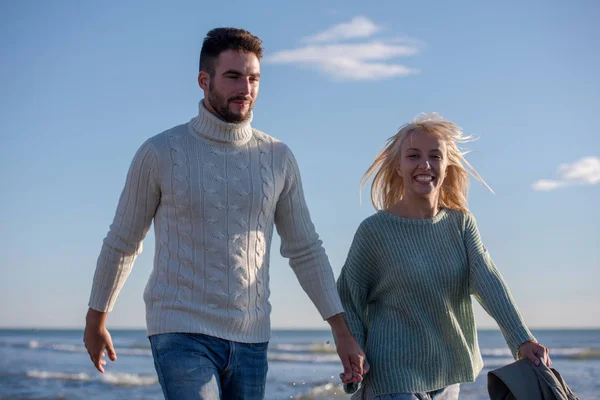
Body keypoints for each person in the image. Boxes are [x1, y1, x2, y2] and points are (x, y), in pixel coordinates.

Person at [83, 27, 366, 400]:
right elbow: (123, 240)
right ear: (204, 80)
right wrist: (96, 318)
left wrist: (340, 330)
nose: (245, 89)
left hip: (252, 337)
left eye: (253, 79)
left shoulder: (278, 157)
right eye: (233, 77)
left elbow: (305, 248)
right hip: (179, 329)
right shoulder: (160, 152)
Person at [336, 114, 551, 400]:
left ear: (446, 166)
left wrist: (521, 338)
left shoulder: (461, 225)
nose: (425, 164)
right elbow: (348, 298)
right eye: (413, 156)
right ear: (398, 167)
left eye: (435, 156)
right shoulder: (374, 231)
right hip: (392, 376)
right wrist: (354, 353)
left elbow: (489, 282)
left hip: (447, 377)